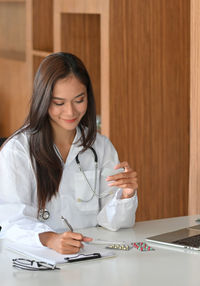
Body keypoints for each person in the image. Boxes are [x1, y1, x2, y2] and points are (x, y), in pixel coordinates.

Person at [0, 52, 138, 254]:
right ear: (43, 100)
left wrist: (126, 196)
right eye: (59, 103)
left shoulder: (101, 147)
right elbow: (11, 220)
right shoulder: (18, 150)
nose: (70, 112)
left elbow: (113, 223)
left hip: (88, 259)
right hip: (34, 260)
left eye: (79, 100)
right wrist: (50, 239)